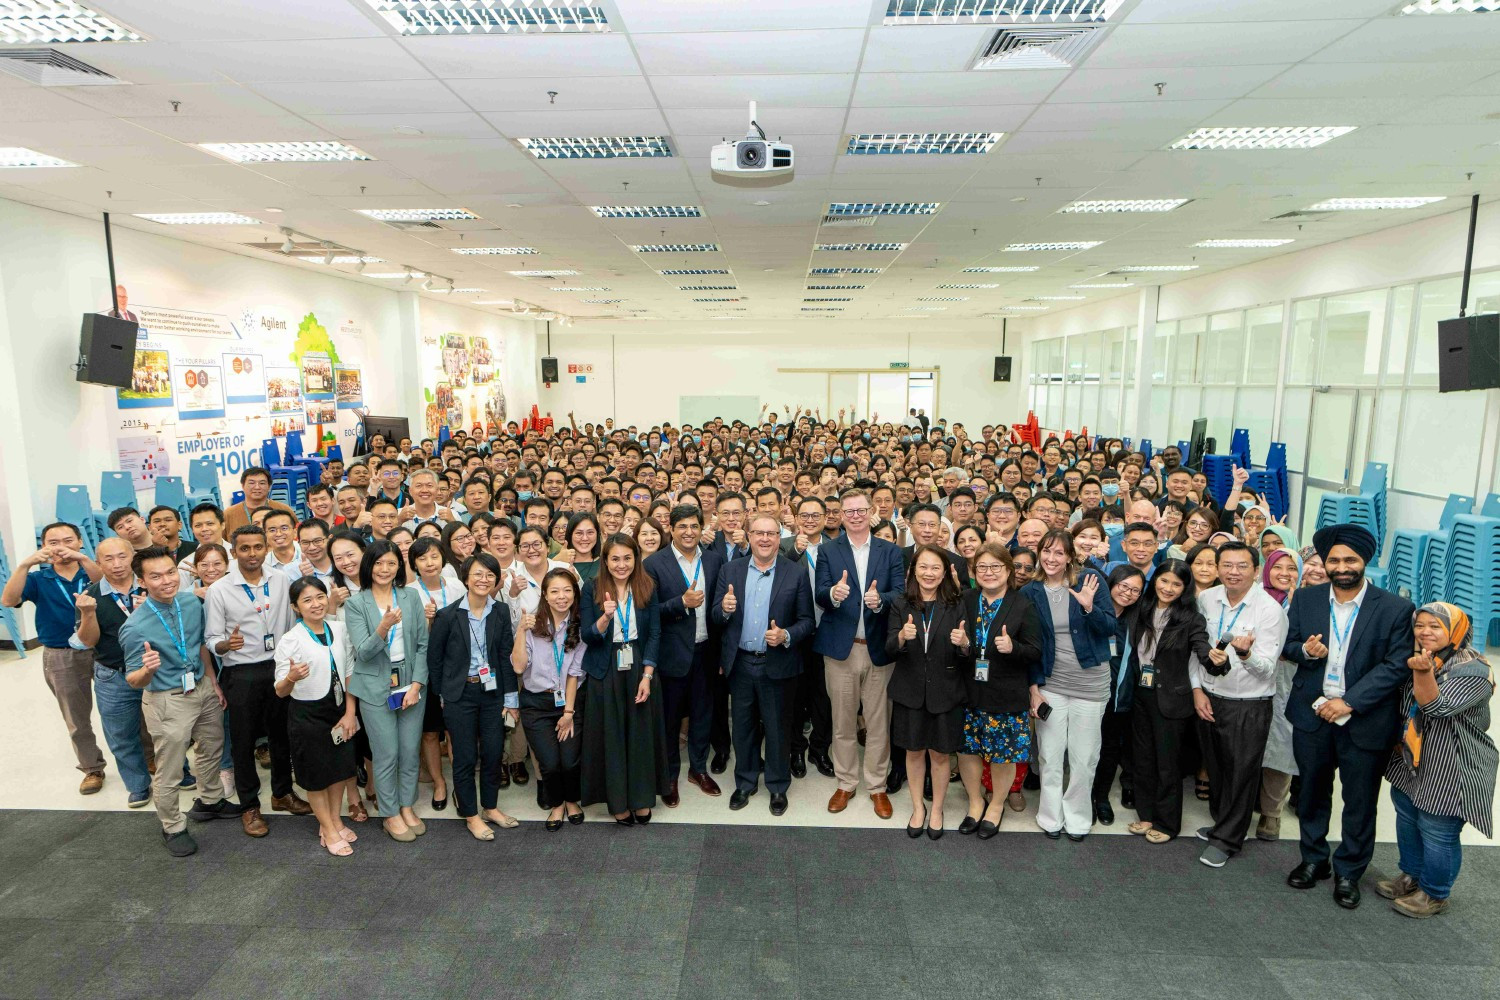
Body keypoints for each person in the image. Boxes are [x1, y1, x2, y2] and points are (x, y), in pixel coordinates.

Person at [1283, 523, 1414, 910]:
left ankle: (1349, 871)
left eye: (1350, 560)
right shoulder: (1306, 599)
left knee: (1359, 800)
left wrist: (1350, 702)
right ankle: (1313, 859)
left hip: (1364, 718)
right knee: (1311, 791)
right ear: (1325, 562)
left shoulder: (1394, 608)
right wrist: (1306, 651)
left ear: (1364, 562)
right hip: (1312, 712)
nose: (1342, 566)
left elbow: (1395, 666)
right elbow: (1289, 645)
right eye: (1334, 559)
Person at [119, 546, 240, 856]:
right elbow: (132, 679)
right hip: (166, 699)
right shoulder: (134, 627)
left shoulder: (190, 603)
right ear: (142, 581)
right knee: (170, 768)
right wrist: (146, 670)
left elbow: (200, 645)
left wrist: (214, 683)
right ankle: (172, 825)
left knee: (211, 747)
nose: (166, 581)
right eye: (155, 576)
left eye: (170, 572)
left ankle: (210, 800)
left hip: (202, 688)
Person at [1380, 603, 1497, 918]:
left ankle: (1434, 893)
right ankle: (1411, 875)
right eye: (1420, 625)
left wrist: (1421, 671)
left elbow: (1436, 707)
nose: (1425, 632)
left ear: (1455, 630)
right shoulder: (1425, 657)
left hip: (1452, 761)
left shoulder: (1474, 668)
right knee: (1406, 814)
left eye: (1435, 626)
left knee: (1437, 827)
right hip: (1412, 758)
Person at [203, 525, 308, 837]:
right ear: (234, 552)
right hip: (242, 671)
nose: (252, 554)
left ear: (266, 549)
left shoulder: (282, 580)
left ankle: (282, 794)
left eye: (257, 547)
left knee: (281, 735)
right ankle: (249, 805)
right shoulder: (219, 590)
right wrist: (225, 646)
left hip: (278, 667)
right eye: (244, 548)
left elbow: (292, 623)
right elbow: (212, 639)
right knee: (245, 741)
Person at [1191, 541, 1289, 867]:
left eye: (1242, 566)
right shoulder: (1207, 599)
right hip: (1209, 696)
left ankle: (1228, 839)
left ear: (1256, 570)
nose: (1234, 572)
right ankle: (1224, 824)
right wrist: (1197, 690)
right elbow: (1196, 648)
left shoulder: (1269, 610)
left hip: (1249, 703)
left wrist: (1244, 654)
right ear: (1218, 568)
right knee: (1216, 769)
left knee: (1241, 773)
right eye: (1227, 565)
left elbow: (1267, 666)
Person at [711, 512, 814, 817]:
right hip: (740, 664)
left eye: (771, 533)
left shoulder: (794, 572)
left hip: (778, 664)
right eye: (759, 533)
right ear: (749, 535)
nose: (765, 539)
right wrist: (724, 609)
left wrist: (785, 635)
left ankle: (778, 786)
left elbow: (807, 621)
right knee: (742, 727)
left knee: (778, 727)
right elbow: (716, 616)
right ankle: (745, 782)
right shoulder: (730, 570)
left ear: (778, 537)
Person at [813, 489, 906, 818]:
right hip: (842, 651)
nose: (854, 515)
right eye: (847, 511)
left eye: (860, 510)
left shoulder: (891, 551)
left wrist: (880, 601)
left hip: (879, 650)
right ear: (839, 514)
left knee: (880, 723)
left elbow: (900, 593)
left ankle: (877, 786)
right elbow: (820, 593)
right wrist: (834, 594)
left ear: (872, 511)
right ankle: (846, 782)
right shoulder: (828, 550)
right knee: (842, 722)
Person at [1022, 529, 1116, 841]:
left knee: (1084, 756)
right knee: (1050, 754)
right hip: (1051, 683)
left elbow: (1109, 626)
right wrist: (1035, 688)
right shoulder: (1030, 591)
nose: (1051, 559)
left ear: (1069, 557)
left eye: (1059, 553)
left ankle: (1077, 818)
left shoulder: (1090, 580)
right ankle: (1050, 816)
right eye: (1046, 552)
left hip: (1090, 683)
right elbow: (1031, 645)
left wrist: (1089, 607)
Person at [1, 521, 105, 794]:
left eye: (69, 540)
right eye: (53, 542)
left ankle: (147, 757)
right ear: (44, 548)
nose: (62, 547)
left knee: (125, 707)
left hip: (102, 648)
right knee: (76, 717)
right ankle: (91, 768)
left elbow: (105, 583)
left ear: (80, 542)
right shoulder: (38, 579)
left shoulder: (90, 569)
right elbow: (8, 600)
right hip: (61, 654)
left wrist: (83, 559)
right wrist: (24, 565)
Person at [428, 552, 520, 840]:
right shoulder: (447, 615)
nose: (484, 579)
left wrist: (511, 700)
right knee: (465, 756)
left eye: (490, 575)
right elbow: (435, 659)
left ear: (496, 579)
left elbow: (505, 657)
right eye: (478, 574)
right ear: (465, 578)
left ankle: (490, 807)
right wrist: (444, 695)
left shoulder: (501, 612)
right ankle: (471, 815)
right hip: (460, 694)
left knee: (493, 753)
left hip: (492, 692)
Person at [345, 539, 431, 843]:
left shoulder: (410, 597)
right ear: (369, 565)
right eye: (378, 563)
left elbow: (423, 645)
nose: (384, 569)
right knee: (387, 754)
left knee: (409, 752)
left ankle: (407, 806)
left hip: (410, 684)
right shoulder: (357, 603)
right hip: (373, 686)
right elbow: (364, 652)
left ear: (399, 566)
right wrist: (383, 626)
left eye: (391, 563)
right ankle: (390, 813)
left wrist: (418, 685)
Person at [579, 533, 668, 824]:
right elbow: (588, 636)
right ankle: (617, 803)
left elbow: (655, 632)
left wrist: (648, 674)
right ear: (605, 560)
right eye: (615, 558)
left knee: (641, 734)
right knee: (612, 736)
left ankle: (642, 798)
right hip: (605, 668)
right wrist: (604, 618)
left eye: (627, 558)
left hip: (640, 666)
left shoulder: (647, 586)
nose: (621, 564)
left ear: (636, 558)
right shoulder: (592, 588)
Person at [1121, 559, 1209, 845]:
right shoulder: (1141, 609)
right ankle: (1146, 814)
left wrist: (1215, 659)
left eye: (1176, 584)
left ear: (1185, 588)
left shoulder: (1191, 618)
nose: (1168, 588)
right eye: (1164, 580)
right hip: (1141, 694)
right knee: (1142, 759)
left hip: (1172, 699)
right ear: (1154, 580)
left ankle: (1168, 823)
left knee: (1167, 763)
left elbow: (1202, 648)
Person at [886, 544, 971, 839]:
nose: (929, 573)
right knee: (913, 752)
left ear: (946, 571)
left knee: (940, 754)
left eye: (935, 567)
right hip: (909, 690)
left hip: (946, 692)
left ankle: (937, 809)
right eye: (923, 567)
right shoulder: (900, 603)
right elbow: (887, 648)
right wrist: (901, 636)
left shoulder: (958, 602)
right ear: (913, 570)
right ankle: (917, 808)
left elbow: (969, 652)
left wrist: (963, 643)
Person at [956, 543, 1040, 838]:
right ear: (974, 571)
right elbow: (958, 647)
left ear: (1008, 570)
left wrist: (1013, 647)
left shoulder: (1023, 605)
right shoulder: (965, 600)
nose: (989, 573)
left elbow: (1035, 651)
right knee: (968, 750)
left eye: (995, 567)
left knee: (1003, 754)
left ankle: (997, 805)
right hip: (968, 691)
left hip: (1006, 692)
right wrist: (963, 646)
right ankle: (976, 802)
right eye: (982, 567)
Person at [643, 505, 725, 805]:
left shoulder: (715, 560)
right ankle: (669, 775)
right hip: (671, 655)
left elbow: (719, 607)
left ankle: (699, 769)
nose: (689, 532)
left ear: (701, 528)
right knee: (670, 719)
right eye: (682, 527)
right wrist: (680, 602)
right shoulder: (654, 563)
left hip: (706, 652)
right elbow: (648, 612)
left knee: (703, 714)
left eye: (694, 526)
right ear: (671, 529)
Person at [272, 577, 360, 856]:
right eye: (307, 600)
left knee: (338, 772)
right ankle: (328, 827)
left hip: (338, 709)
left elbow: (349, 672)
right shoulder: (290, 640)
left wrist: (350, 713)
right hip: (307, 714)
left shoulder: (339, 628)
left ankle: (333, 821)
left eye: (320, 597)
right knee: (316, 775)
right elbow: (280, 691)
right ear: (296, 607)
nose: (316, 604)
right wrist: (291, 677)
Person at [70, 538, 151, 806]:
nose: (116, 564)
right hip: (113, 674)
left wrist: (147, 612)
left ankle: (180, 773)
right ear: (98, 562)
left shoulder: (152, 585)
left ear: (132, 557)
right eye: (108, 559)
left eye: (122, 556)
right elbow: (88, 641)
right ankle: (138, 785)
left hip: (155, 671)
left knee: (166, 730)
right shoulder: (90, 596)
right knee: (122, 735)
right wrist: (88, 614)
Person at [512, 568, 586, 831]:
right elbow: (519, 668)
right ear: (545, 594)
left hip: (568, 702)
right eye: (554, 591)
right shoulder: (533, 625)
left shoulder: (579, 625)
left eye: (567, 590)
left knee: (570, 760)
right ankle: (556, 804)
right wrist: (521, 631)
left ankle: (572, 800)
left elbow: (575, 674)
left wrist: (568, 713)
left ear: (575, 594)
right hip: (536, 704)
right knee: (550, 763)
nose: (561, 596)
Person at [780, 496, 835, 779]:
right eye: (805, 515)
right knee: (794, 696)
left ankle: (820, 749)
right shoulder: (784, 545)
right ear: (796, 517)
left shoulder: (837, 547)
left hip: (828, 632)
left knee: (824, 697)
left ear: (826, 518)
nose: (810, 520)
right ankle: (796, 750)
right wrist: (793, 555)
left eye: (816, 515)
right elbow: (773, 579)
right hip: (795, 633)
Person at [406, 536, 461, 811]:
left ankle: (460, 787)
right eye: (422, 558)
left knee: (454, 730)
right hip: (425, 671)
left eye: (434, 556)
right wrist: (428, 623)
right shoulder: (408, 592)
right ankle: (439, 782)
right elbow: (409, 641)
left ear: (443, 559)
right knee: (429, 732)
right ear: (414, 563)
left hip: (456, 669)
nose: (430, 563)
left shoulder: (456, 585)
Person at [1095, 564, 1147, 824]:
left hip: (1119, 698)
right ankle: (1081, 799)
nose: (1127, 593)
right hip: (1088, 694)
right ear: (1111, 583)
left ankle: (1101, 798)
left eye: (1135, 590)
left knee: (1109, 750)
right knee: (1084, 751)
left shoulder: (1137, 620)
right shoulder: (1092, 612)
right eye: (1123, 586)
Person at [1257, 547, 1303, 841]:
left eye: (1292, 568)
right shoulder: (1254, 595)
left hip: (1290, 682)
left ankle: (1271, 814)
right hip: (1252, 677)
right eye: (1278, 567)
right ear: (1267, 568)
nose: (1284, 573)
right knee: (1250, 743)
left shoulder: (1307, 602)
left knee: (1281, 747)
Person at [222, 467, 296, 535]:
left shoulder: (283, 510)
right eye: (251, 483)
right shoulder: (228, 514)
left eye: (262, 483)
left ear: (269, 487)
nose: (257, 487)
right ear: (242, 486)